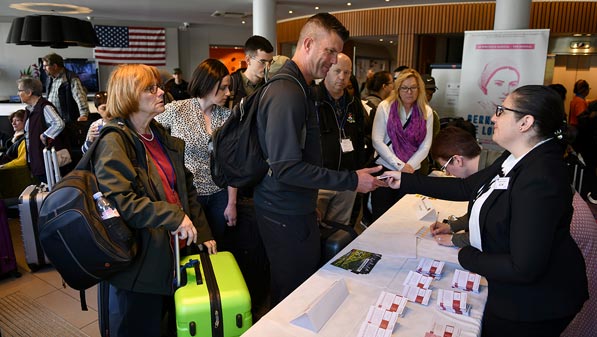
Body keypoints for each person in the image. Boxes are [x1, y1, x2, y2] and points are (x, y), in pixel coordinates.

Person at [384, 85, 588, 337]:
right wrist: (404, 181)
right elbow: (466, 187)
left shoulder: (541, 177)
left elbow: (522, 267)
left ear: (525, 122)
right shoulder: (516, 157)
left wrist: (464, 254)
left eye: (501, 111)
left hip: (537, 302)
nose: (493, 117)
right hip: (519, 289)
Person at [254, 12, 385, 306]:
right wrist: (351, 180)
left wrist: (308, 203)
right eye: (330, 51)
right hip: (282, 211)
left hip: (293, 207)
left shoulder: (300, 87)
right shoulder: (287, 91)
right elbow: (286, 167)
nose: (333, 60)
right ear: (309, 44)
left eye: (337, 53)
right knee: (294, 295)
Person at [93, 64, 216, 337]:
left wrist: (202, 231)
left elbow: (185, 188)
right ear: (129, 96)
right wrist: (173, 216)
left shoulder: (157, 134)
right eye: (151, 89)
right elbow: (121, 201)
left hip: (168, 255)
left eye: (158, 86)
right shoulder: (115, 140)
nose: (161, 92)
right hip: (139, 266)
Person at [155, 59, 236, 244]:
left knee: (218, 244)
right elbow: (144, 127)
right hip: (188, 195)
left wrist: (232, 203)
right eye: (223, 88)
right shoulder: (177, 109)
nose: (228, 93)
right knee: (192, 244)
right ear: (208, 84)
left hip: (219, 193)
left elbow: (232, 163)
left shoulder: (227, 117)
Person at [370, 68, 434, 220]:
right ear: (397, 89)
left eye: (413, 87)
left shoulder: (426, 111)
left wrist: (408, 168)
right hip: (386, 169)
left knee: (407, 217)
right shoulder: (385, 107)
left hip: (412, 172)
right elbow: (377, 141)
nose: (409, 92)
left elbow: (425, 145)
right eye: (404, 88)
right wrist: (400, 165)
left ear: (419, 89)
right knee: (382, 216)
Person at [315, 53, 368, 226]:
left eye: (347, 72)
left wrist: (356, 173)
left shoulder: (354, 104)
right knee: (314, 229)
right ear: (326, 70)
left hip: (347, 180)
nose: (342, 77)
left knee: (339, 231)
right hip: (320, 179)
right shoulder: (312, 99)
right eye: (337, 71)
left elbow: (361, 139)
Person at [428, 126, 503, 247]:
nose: (447, 173)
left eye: (444, 167)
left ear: (457, 160)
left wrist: (454, 240)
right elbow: (483, 211)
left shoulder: (498, 173)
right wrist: (452, 226)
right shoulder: (488, 163)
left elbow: (495, 230)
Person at [17, 77, 67, 183]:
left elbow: (59, 124)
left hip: (48, 163)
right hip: (37, 161)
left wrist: (45, 135)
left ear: (29, 92)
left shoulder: (44, 107)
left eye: (20, 90)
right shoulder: (30, 110)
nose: (18, 93)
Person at [227, 35, 274, 109]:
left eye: (270, 62)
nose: (268, 67)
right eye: (262, 62)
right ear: (248, 60)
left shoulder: (269, 86)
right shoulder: (230, 84)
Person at [41, 53, 89, 123]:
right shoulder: (49, 79)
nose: (43, 68)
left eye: (45, 66)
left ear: (55, 66)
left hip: (67, 121)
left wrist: (84, 115)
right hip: (53, 121)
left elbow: (80, 97)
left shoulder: (71, 78)